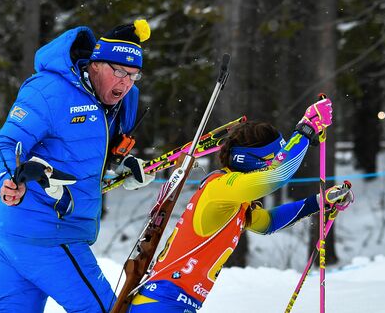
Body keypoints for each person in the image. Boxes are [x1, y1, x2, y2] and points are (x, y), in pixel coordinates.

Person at [0, 19, 155, 313]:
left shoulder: (117, 101)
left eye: (133, 75)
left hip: (15, 232)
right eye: (119, 72)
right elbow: (7, 144)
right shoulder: (49, 91)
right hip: (47, 234)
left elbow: (91, 150)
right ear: (95, 64)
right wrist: (6, 180)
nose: (126, 83)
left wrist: (122, 165)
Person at [127, 98, 354, 313]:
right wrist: (306, 129)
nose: (275, 164)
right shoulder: (222, 188)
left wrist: (319, 202)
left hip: (173, 302)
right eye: (272, 159)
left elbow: (268, 222)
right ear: (248, 159)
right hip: (161, 302)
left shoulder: (237, 199)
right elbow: (279, 174)